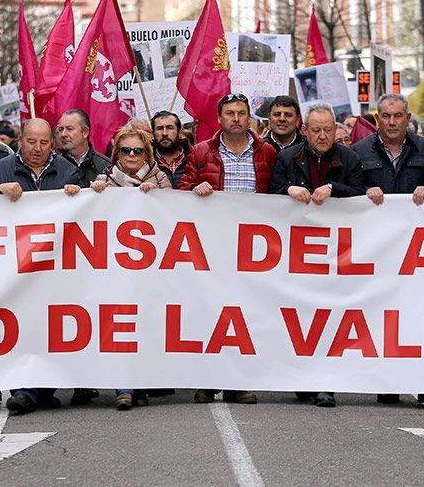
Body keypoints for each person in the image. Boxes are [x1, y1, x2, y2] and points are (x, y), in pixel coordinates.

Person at [179, 93, 277, 405]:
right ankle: (207, 380)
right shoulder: (200, 152)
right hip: (211, 246)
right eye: (229, 113)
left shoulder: (268, 152)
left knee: (242, 316)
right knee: (210, 312)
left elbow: (276, 193)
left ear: (250, 118)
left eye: (241, 113)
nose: (235, 118)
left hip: (251, 250)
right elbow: (181, 192)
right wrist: (195, 188)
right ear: (219, 119)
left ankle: (236, 382)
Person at [267, 104, 363, 408]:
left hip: (335, 252)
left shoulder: (349, 158)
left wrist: (335, 189)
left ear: (336, 131)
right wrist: (287, 190)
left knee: (329, 317)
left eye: (328, 129)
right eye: (316, 129)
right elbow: (268, 196)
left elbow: (361, 194)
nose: (322, 135)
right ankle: (302, 378)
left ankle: (326, 384)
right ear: (304, 130)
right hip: (296, 252)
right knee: (299, 317)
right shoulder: (286, 158)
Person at [352, 93, 424, 406]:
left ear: (407, 117)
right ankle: (387, 381)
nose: (392, 122)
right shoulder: (360, 151)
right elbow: (346, 187)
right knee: (382, 316)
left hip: (417, 254)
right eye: (386, 116)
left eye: (398, 116)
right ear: (378, 118)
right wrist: (363, 191)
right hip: (377, 252)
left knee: (420, 315)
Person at [0, 119, 82, 415]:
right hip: (15, 269)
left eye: (44, 143)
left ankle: (37, 391)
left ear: (52, 143)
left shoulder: (68, 171)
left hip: (56, 268)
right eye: (31, 142)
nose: (38, 149)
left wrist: (78, 193)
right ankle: (27, 390)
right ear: (20, 141)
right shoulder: (0, 169)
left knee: (51, 329)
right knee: (22, 326)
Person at [90, 126, 173, 411]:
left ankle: (142, 382)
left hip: (152, 268)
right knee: (120, 324)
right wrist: (92, 194)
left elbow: (175, 217)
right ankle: (123, 387)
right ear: (117, 154)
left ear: (146, 153)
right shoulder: (105, 181)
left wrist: (159, 197)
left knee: (148, 323)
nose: (132, 156)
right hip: (115, 267)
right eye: (126, 150)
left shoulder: (161, 179)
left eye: (138, 150)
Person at [56, 109, 111, 188]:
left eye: (69, 129)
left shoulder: (105, 166)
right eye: (60, 129)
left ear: (85, 132)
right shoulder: (53, 165)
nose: (63, 134)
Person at [151, 111, 191, 186]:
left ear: (179, 131)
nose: (164, 133)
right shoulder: (146, 162)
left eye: (170, 128)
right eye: (159, 128)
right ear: (153, 133)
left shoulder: (194, 159)